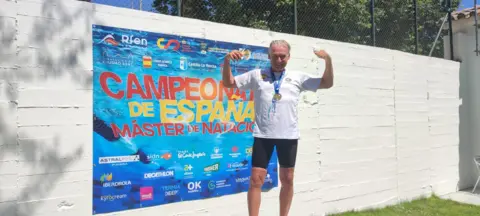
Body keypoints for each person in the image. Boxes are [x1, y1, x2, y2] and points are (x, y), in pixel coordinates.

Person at [221, 39, 333, 216]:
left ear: (289, 57)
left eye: (283, 56)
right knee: (256, 180)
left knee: (287, 179)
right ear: (268, 56)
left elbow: (327, 83)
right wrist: (227, 61)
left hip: (288, 136)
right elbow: (228, 83)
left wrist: (328, 60)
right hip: (263, 136)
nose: (279, 60)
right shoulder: (257, 75)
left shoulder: (298, 77)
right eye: (275, 56)